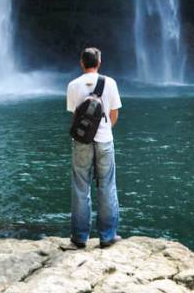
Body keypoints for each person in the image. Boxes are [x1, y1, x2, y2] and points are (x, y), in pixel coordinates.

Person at [66, 46, 122, 249]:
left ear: (82, 63)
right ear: (99, 63)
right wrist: (105, 130)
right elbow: (114, 114)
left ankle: (79, 238)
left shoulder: (73, 85)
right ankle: (108, 236)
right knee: (107, 186)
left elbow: (75, 117)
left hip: (82, 142)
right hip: (105, 141)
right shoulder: (110, 83)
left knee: (81, 188)